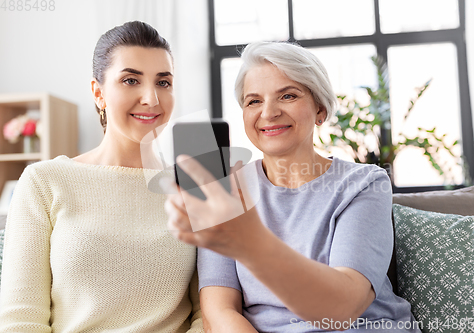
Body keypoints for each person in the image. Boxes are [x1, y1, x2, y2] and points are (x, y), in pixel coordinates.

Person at [166, 42, 421, 332]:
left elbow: (342, 308)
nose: (269, 112)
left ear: (320, 110)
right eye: (253, 101)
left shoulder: (364, 185)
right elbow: (219, 310)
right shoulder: (223, 191)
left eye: (287, 95)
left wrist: (249, 240)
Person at [0, 21, 203, 333]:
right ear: (98, 92)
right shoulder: (44, 181)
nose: (151, 98)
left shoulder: (194, 185)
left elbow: (208, 311)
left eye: (163, 83)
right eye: (131, 80)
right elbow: (21, 320)